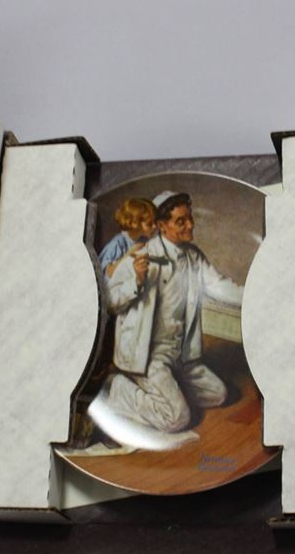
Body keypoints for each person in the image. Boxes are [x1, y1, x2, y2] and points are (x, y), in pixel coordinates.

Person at [92, 190, 244, 444]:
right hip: (149, 357)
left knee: (219, 394)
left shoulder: (193, 256)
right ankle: (118, 390)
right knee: (177, 419)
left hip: (181, 354)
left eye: (190, 218)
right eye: (181, 221)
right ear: (162, 226)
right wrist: (136, 282)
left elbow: (219, 285)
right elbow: (111, 301)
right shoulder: (141, 256)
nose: (190, 225)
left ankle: (169, 389)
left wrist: (256, 295)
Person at [97, 197, 157, 277]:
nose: (154, 226)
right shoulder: (118, 244)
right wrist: (130, 253)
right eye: (149, 224)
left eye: (154, 221)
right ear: (135, 224)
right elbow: (108, 274)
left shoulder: (145, 239)